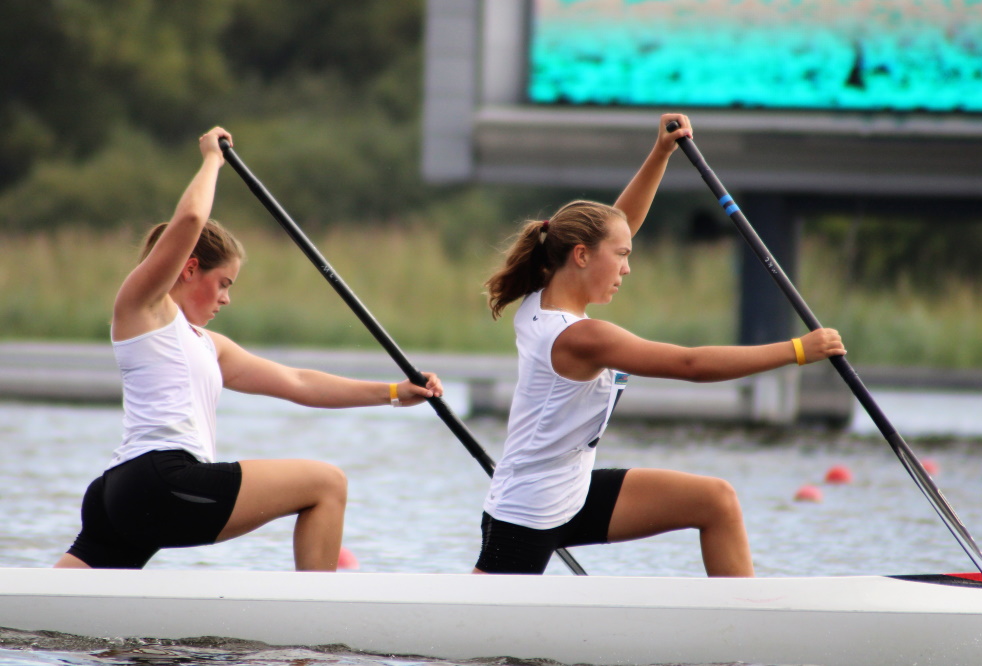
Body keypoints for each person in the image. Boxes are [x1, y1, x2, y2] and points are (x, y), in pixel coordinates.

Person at [55, 127, 442, 571]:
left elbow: (299, 383)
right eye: (223, 284)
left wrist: (394, 392)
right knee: (327, 484)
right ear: (189, 268)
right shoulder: (142, 308)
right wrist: (211, 160)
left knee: (56, 610)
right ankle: (318, 626)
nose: (226, 299)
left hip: (118, 494)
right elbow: (189, 223)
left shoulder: (208, 346)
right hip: (161, 482)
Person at [474, 113, 845, 576]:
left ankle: (746, 626)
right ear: (581, 256)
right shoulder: (584, 337)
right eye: (623, 257)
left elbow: (619, 223)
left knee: (716, 501)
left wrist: (661, 153)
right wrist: (795, 350)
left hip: (572, 490)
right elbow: (690, 364)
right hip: (526, 512)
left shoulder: (542, 296)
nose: (628, 268)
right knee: (483, 634)